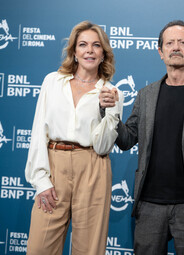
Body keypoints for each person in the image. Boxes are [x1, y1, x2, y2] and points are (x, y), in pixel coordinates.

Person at [100, 20, 184, 254]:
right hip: (150, 204)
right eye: (169, 43)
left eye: (182, 43)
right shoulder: (146, 95)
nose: (175, 47)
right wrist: (109, 112)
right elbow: (126, 140)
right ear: (160, 52)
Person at [25, 21, 123, 255]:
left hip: (93, 167)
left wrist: (104, 111)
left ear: (103, 54)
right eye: (83, 45)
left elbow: (103, 146)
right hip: (54, 164)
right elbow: (39, 131)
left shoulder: (112, 92)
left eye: (96, 45)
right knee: (39, 248)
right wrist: (41, 180)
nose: (89, 50)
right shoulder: (52, 82)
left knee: (89, 249)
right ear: (74, 52)